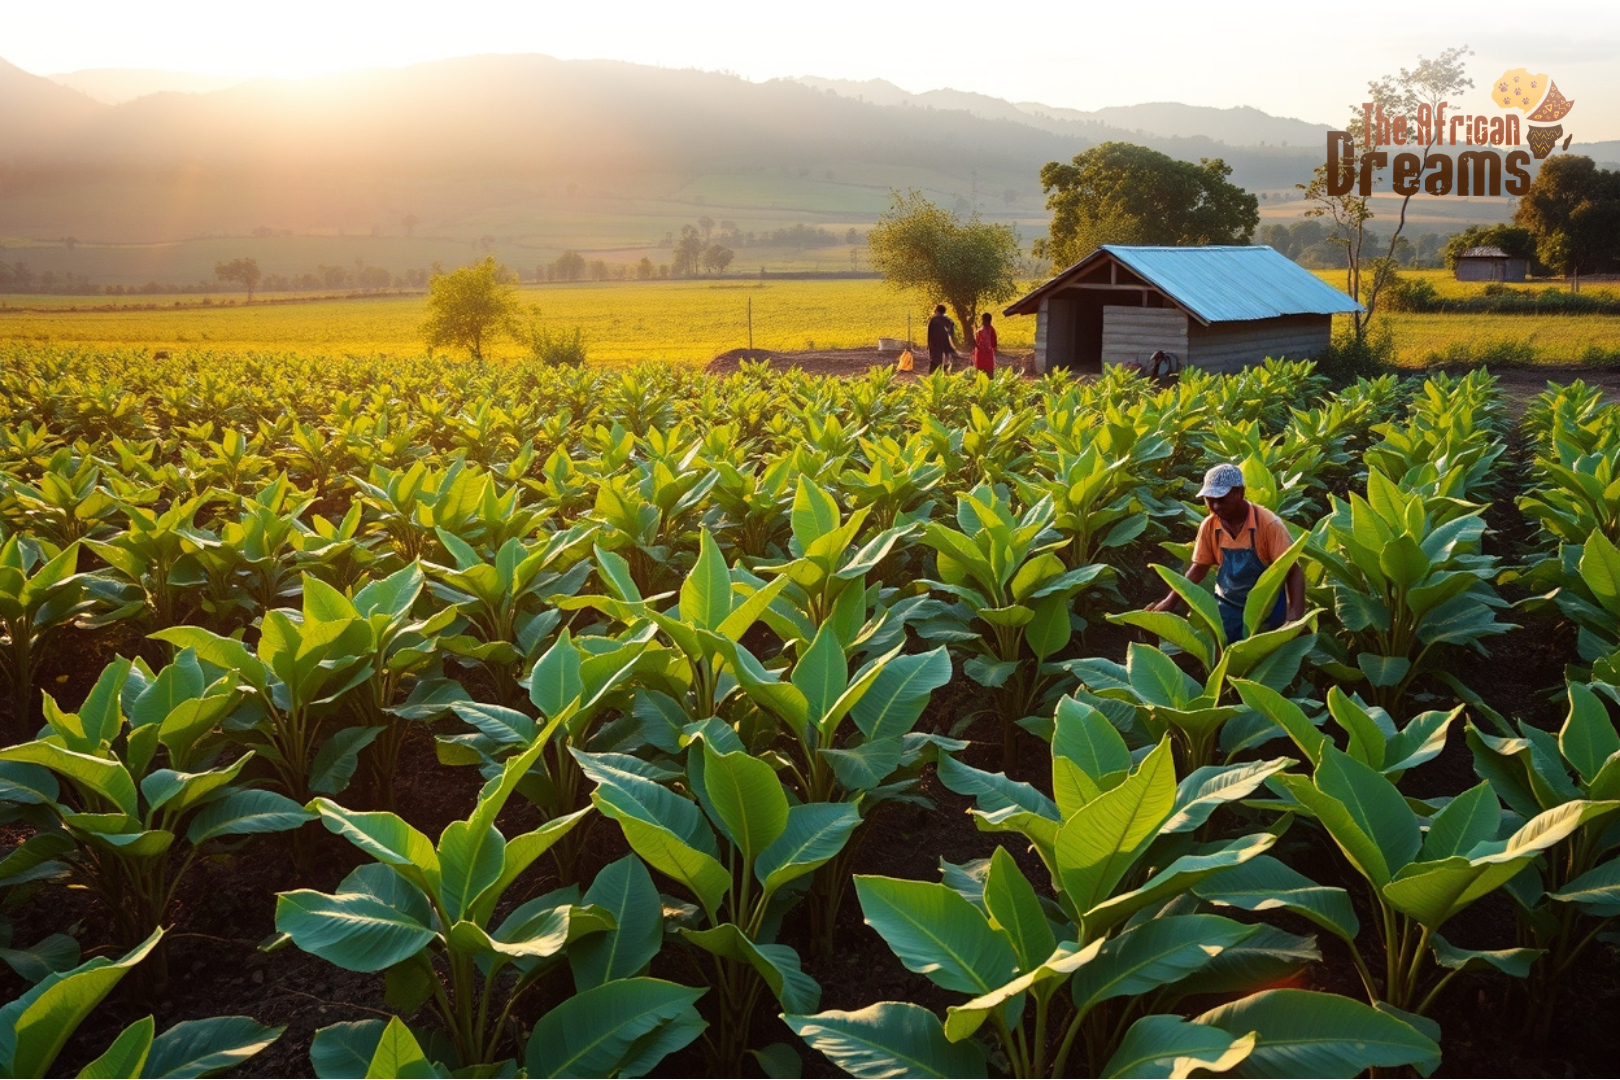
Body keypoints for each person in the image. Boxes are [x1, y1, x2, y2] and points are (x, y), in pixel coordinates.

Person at [1146, 463, 1305, 642]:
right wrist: (1169, 602)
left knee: (1265, 661)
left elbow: (1292, 570)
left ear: (1239, 493)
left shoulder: (1268, 525)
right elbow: (1199, 568)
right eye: (1209, 499)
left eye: (1221, 499)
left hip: (1266, 608)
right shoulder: (1210, 525)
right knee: (1225, 655)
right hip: (1228, 607)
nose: (1215, 506)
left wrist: (1294, 615)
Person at [925, 304, 959, 373]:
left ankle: (933, 377)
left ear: (936, 310)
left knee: (934, 362)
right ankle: (944, 374)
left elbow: (929, 334)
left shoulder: (933, 320)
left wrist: (928, 345)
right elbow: (951, 331)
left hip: (935, 344)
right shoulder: (948, 320)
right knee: (946, 361)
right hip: (945, 344)